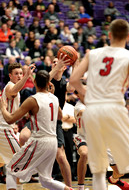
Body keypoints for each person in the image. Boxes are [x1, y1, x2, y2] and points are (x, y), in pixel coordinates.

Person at [70, 19, 129, 190]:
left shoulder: (92, 53)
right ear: (128, 37)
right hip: (114, 108)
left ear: (109, 35)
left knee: (98, 170)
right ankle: (116, 177)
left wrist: (87, 96)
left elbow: (74, 80)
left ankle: (110, 179)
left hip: (93, 110)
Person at [0, 70, 74, 190]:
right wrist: (52, 95)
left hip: (39, 141)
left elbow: (10, 119)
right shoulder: (54, 98)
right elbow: (60, 116)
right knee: (46, 180)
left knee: (11, 170)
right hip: (52, 142)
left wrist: (3, 108)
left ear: (34, 82)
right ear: (48, 83)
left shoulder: (32, 100)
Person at [0, 62, 35, 190]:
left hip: (6, 128)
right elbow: (14, 91)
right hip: (3, 130)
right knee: (20, 160)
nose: (19, 76)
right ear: (10, 76)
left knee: (10, 163)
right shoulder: (10, 87)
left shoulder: (14, 88)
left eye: (21, 73)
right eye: (17, 74)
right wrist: (27, 76)